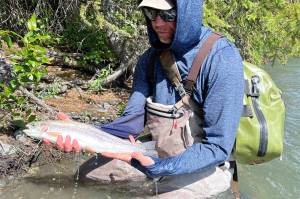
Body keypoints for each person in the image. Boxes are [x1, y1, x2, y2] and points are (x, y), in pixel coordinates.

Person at [51, 0, 244, 198]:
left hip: (204, 164)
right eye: (151, 13)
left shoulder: (223, 59)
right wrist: (84, 133)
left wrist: (162, 167)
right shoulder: (149, 59)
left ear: (188, 13)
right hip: (155, 154)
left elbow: (218, 147)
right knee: (87, 175)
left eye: (167, 15)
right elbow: (132, 121)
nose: (157, 23)